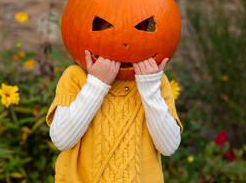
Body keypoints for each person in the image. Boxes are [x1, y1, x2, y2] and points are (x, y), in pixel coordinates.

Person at [46, 50, 183, 182]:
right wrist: (96, 84)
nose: (124, 43)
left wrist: (149, 88)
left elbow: (168, 147)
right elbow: (62, 140)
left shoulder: (156, 81)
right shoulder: (76, 76)